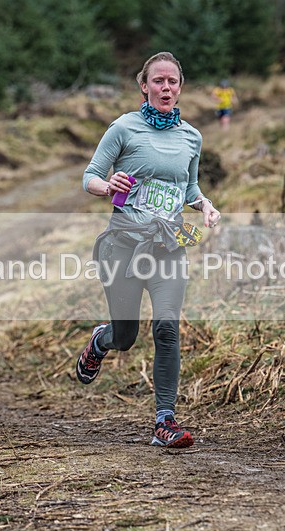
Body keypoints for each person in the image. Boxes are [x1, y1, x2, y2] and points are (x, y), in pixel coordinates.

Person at [76, 51, 221, 448]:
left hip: (168, 246)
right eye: (158, 81)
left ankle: (164, 420)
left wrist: (205, 205)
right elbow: (90, 176)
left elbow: (188, 188)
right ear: (144, 86)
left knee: (167, 327)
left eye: (172, 81)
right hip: (123, 246)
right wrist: (108, 187)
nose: (166, 87)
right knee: (126, 336)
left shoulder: (192, 136)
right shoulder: (123, 128)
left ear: (180, 87)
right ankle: (100, 341)